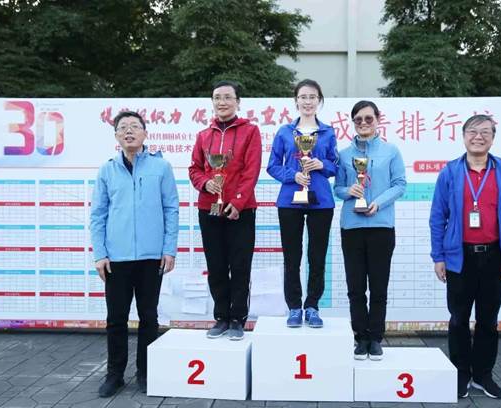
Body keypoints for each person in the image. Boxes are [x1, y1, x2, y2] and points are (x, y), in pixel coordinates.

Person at [429, 114, 501, 399]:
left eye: (485, 132)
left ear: (493, 138)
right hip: (459, 257)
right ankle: (461, 374)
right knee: (458, 319)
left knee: (488, 320)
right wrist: (438, 256)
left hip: (494, 256)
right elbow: (438, 217)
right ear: (463, 136)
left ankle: (483, 375)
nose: (478, 137)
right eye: (472, 131)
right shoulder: (450, 172)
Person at [90, 111, 179, 397]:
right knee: (116, 318)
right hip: (116, 258)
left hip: (151, 257)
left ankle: (146, 373)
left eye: (135, 127)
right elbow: (98, 214)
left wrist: (169, 249)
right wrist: (100, 254)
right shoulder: (107, 170)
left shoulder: (161, 167)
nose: (129, 131)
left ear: (145, 133)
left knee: (148, 316)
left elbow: (171, 209)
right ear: (116, 135)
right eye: (123, 127)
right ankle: (115, 374)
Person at [189, 80, 261, 340]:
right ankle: (221, 317)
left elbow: (251, 170)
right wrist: (205, 183)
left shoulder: (250, 131)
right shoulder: (203, 135)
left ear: (238, 102)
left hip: (241, 210)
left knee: (240, 266)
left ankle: (238, 319)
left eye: (228, 97)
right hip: (209, 208)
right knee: (216, 265)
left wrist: (238, 202)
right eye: (217, 97)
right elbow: (194, 169)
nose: (222, 102)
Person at [334, 100, 406, 360]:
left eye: (368, 118)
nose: (363, 123)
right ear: (353, 123)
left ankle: (375, 337)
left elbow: (400, 184)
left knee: (378, 286)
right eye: (358, 120)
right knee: (355, 287)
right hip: (352, 227)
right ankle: (360, 337)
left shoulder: (391, 151)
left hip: (381, 226)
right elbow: (337, 188)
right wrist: (349, 190)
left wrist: (379, 202)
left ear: (378, 120)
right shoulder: (344, 154)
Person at [267, 79, 338, 328]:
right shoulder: (284, 132)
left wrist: (321, 164)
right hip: (290, 201)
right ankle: (294, 307)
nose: (308, 101)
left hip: (321, 202)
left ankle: (313, 306)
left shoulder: (328, 132)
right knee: (292, 257)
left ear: (319, 101)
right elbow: (272, 166)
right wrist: (293, 175)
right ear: (296, 101)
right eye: (303, 97)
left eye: (312, 97)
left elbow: (335, 165)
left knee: (317, 257)